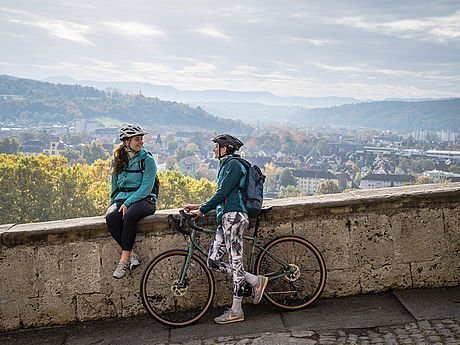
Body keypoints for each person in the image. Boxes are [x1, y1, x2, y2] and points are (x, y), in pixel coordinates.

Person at [183, 133, 268, 325]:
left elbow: (223, 193)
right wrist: (198, 206)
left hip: (234, 217)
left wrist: (202, 210)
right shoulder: (227, 165)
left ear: (225, 149)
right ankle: (255, 281)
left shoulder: (233, 165)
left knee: (236, 263)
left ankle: (237, 310)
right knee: (212, 261)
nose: (213, 149)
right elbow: (222, 195)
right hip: (226, 217)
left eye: (216, 146)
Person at [105, 124, 157, 279]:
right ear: (126, 141)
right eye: (137, 139)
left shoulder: (147, 160)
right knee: (111, 217)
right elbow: (114, 185)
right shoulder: (117, 160)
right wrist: (113, 204)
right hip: (123, 198)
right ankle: (132, 254)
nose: (141, 142)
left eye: (141, 139)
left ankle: (123, 261)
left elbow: (146, 188)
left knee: (129, 215)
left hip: (144, 200)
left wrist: (128, 203)